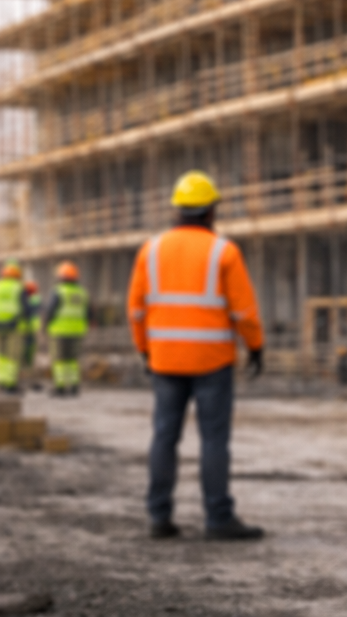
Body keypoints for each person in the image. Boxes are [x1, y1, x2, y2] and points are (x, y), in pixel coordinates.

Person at [127, 170, 265, 541]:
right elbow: (244, 312)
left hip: (165, 360)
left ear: (177, 210)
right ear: (210, 212)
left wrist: (144, 349)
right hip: (212, 362)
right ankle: (218, 518)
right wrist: (255, 346)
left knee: (163, 436)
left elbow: (136, 310)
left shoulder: (150, 250)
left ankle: (159, 517)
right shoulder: (224, 251)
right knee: (214, 439)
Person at [45, 262, 89, 396]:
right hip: (77, 331)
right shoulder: (82, 292)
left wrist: (45, 324)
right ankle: (74, 386)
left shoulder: (58, 291)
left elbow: (50, 310)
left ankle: (60, 387)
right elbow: (89, 313)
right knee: (72, 360)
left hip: (59, 331)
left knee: (59, 360)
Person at [0, 261, 31, 394]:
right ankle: (10, 385)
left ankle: (2, 382)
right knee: (13, 357)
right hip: (15, 327)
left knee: (2, 356)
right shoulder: (19, 288)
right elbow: (25, 309)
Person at [21, 276, 40, 378]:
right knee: (30, 354)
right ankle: (29, 373)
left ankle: (25, 373)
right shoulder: (36, 299)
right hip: (31, 329)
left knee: (24, 353)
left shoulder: (31, 299)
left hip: (25, 329)